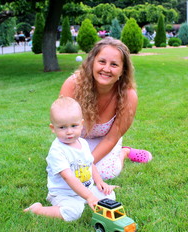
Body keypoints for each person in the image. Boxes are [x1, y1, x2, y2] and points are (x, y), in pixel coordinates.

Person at [60, 37, 152, 180]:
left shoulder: (128, 96)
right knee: (62, 170)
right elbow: (62, 128)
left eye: (114, 64)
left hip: (105, 141)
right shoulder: (73, 85)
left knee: (105, 173)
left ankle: (124, 152)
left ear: (122, 70)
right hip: (74, 140)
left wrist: (86, 164)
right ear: (92, 63)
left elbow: (111, 138)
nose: (106, 69)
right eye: (102, 62)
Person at [24, 96, 116, 221]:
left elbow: (90, 163)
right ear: (53, 128)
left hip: (86, 188)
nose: (69, 132)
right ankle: (38, 209)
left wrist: (99, 181)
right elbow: (68, 177)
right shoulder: (57, 151)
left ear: (81, 124)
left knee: (110, 195)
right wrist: (89, 197)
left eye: (74, 125)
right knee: (73, 213)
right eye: (62, 127)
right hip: (65, 193)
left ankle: (88, 199)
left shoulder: (83, 143)